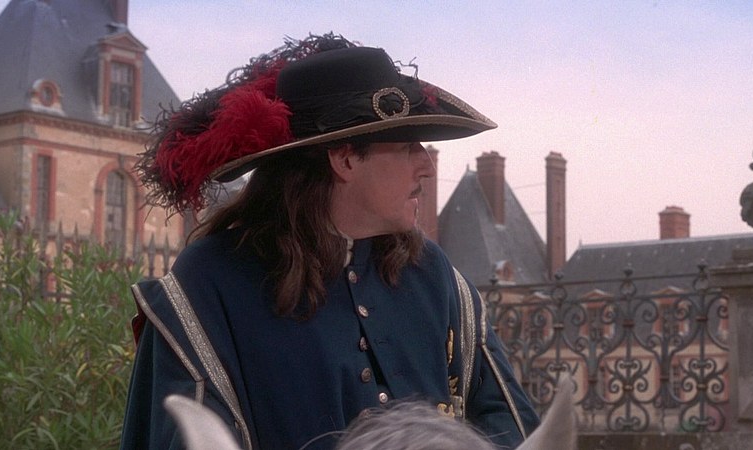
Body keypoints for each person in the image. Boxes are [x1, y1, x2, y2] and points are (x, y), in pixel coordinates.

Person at [120, 33, 539, 450]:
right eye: (406, 146)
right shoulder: (211, 283)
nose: (427, 166)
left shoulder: (431, 272)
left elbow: (509, 421)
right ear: (345, 158)